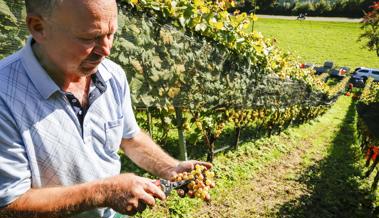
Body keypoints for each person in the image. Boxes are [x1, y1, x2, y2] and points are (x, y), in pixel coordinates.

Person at [0, 0, 211, 217]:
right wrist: (103, 192)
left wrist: (171, 169)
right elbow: (9, 205)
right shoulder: (4, 95)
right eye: (89, 38)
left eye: (111, 34)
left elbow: (130, 138)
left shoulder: (112, 75)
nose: (106, 50)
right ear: (38, 27)